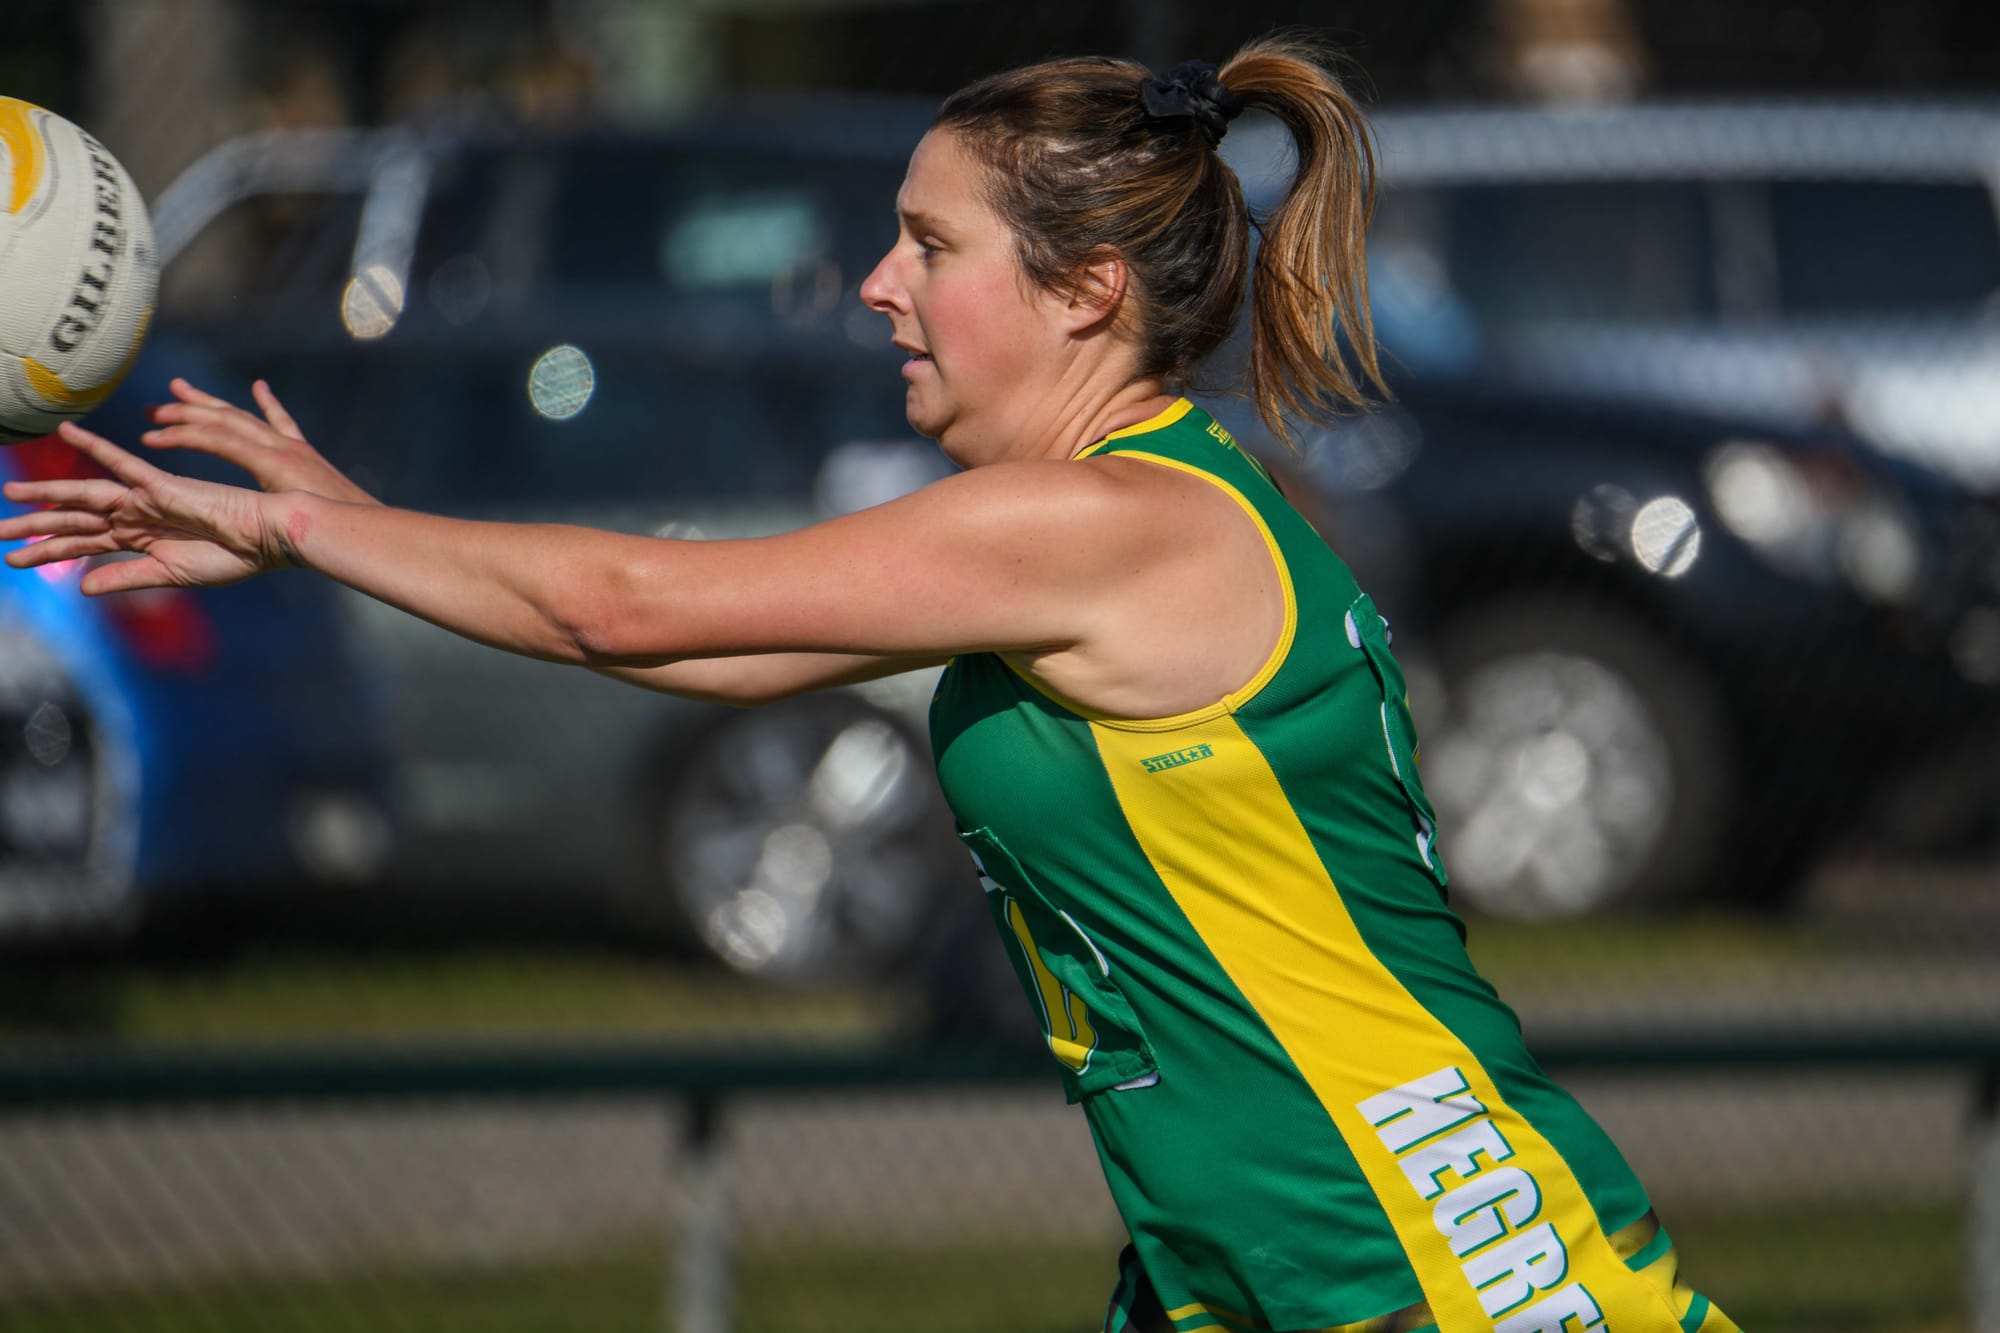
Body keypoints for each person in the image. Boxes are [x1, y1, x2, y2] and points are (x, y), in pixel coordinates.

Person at [2, 37, 1736, 1333]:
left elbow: (626, 606)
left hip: (1431, 1264)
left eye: (927, 243)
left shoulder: (1107, 524)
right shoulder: (1118, 521)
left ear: (1086, 292)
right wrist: (359, 526)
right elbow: (707, 643)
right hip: (1244, 1271)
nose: (877, 283)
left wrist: (304, 526)